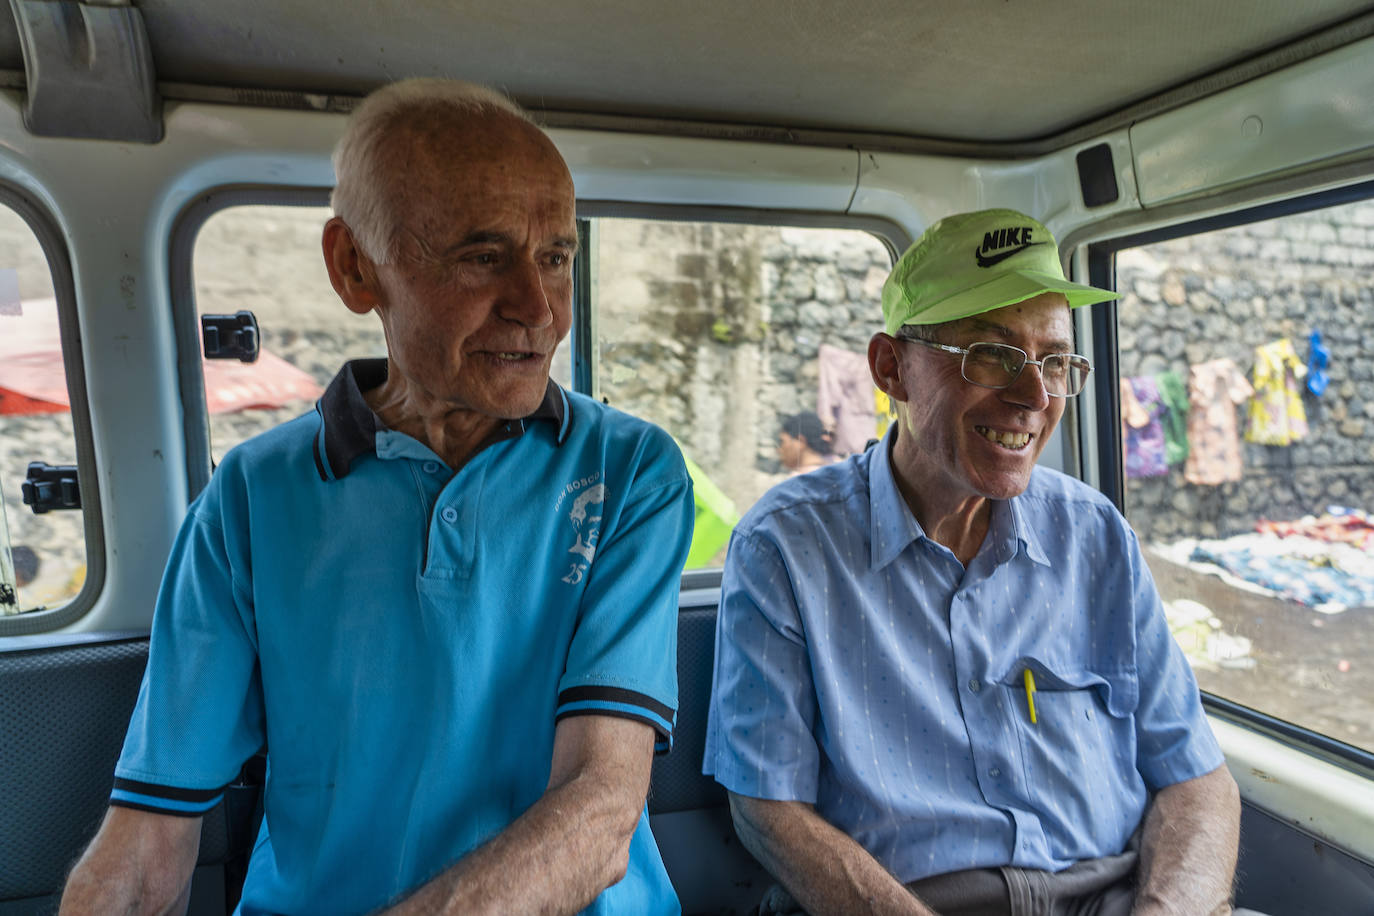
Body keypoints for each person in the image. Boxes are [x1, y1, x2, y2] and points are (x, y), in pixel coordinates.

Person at [61, 79, 693, 916]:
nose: (538, 309)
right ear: (355, 267)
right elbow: (148, 837)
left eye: (556, 256)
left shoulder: (630, 471)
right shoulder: (250, 498)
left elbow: (601, 810)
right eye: (482, 255)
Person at [704, 209, 1243, 915]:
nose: (1034, 397)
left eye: (1055, 361)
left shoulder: (1096, 536)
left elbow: (1197, 779)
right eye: (993, 355)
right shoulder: (788, 546)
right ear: (890, 368)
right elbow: (766, 809)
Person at [777, 411, 836, 476]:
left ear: (800, 441)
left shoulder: (797, 479)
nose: (779, 450)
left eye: (782, 442)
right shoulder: (837, 472)